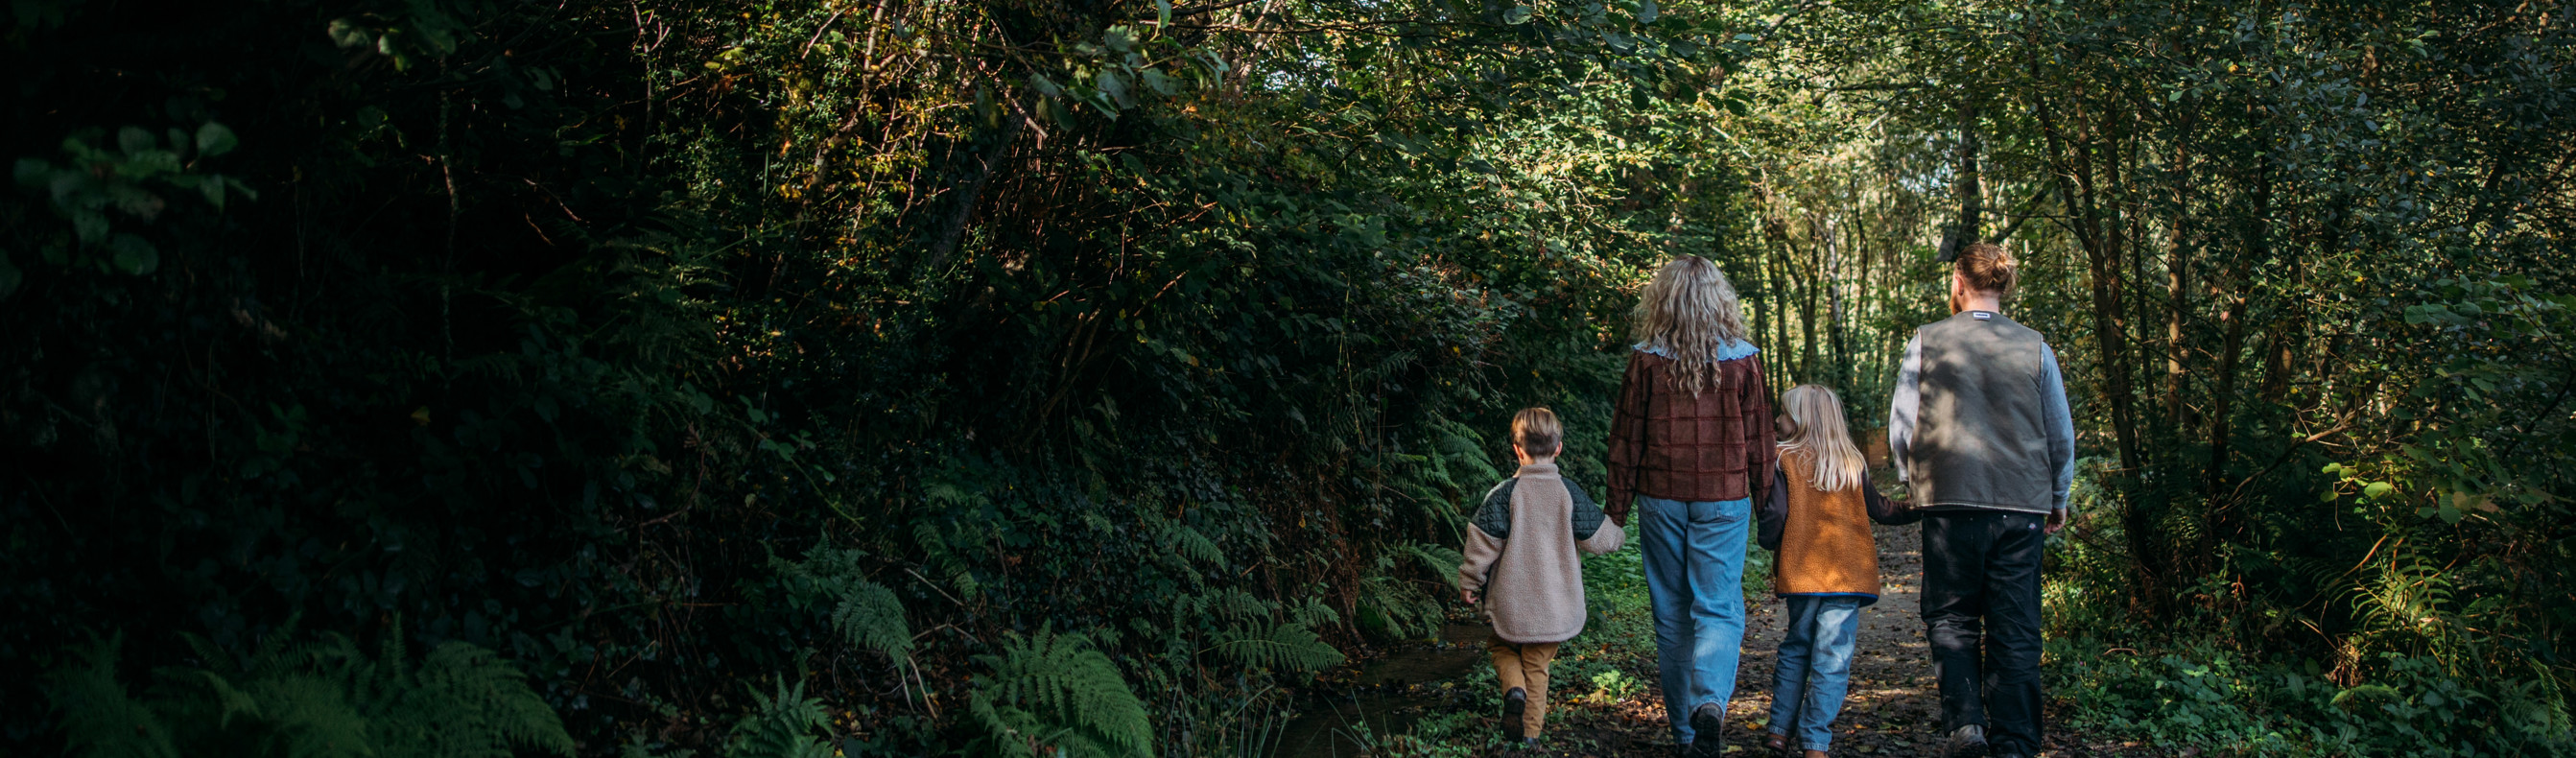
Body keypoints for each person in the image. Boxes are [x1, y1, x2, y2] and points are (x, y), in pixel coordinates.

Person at [1885, 243, 2076, 758]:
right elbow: (2060, 434)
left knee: (1951, 617)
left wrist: (1912, 479)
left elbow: (1902, 426)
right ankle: (2015, 741)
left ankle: (1966, 726)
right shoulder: (2036, 346)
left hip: (1948, 500)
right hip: (2022, 505)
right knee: (2015, 626)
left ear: (1958, 282)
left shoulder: (1926, 341)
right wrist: (2058, 495)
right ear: (2003, 285)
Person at [1605, 255, 1777, 757]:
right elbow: (1760, 442)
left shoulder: (1645, 360)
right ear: (1720, 301)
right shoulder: (1744, 359)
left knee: (1672, 617)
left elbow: (1624, 442)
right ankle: (1709, 707)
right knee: (1719, 610)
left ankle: (1685, 736)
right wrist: (1769, 509)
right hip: (1723, 501)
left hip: (1661, 500)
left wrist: (1616, 512)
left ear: (1665, 300)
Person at [1756, 385, 1920, 757]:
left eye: (1782, 413)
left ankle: (1779, 731)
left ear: (1800, 419)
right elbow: (1881, 509)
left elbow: (1777, 515)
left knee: (1797, 647)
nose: (1777, 420)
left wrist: (1767, 540)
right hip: (1849, 574)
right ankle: (1815, 743)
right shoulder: (1852, 460)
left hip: (1802, 573)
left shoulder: (1782, 458)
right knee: (1832, 659)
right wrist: (1918, 507)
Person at [1457, 408, 1627, 746]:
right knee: (1538, 667)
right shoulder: (1569, 492)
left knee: (1500, 646)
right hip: (1554, 606)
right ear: (1559, 448)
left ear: (1517, 450)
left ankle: (1513, 688)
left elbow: (1481, 542)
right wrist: (1620, 533)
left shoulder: (1504, 494)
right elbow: (1601, 539)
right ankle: (1530, 738)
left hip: (1510, 604)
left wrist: (1469, 582)